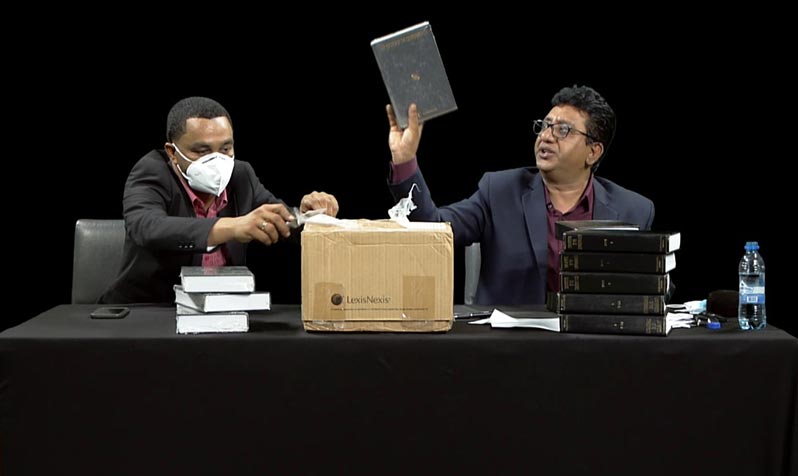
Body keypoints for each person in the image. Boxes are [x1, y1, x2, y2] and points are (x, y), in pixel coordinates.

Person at [385, 85, 654, 305]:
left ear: (593, 152)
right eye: (545, 126)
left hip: (596, 354)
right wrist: (405, 160)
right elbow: (430, 227)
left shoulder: (633, 210)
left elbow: (651, 290)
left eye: (563, 130)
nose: (547, 137)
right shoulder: (499, 191)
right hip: (511, 354)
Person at [100, 96, 339, 304]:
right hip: (150, 313)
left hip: (221, 312)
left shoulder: (241, 176)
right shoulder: (152, 171)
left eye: (226, 149)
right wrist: (232, 227)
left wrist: (309, 216)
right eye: (202, 151)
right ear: (172, 152)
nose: (217, 160)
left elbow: (282, 222)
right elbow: (146, 227)